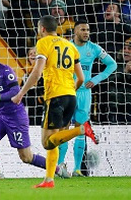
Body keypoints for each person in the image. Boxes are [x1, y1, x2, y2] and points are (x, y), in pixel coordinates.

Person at [12, 15, 99, 188]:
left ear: (42, 28)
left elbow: (36, 73)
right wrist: (70, 91)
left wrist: (20, 93)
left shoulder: (43, 43)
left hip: (55, 96)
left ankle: (82, 128)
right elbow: (81, 77)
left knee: (47, 142)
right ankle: (49, 179)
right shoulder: (69, 45)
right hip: (71, 96)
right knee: (56, 140)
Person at [0, 44, 57, 179]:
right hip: (1, 116)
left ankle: (57, 169)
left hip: (16, 117)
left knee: (26, 157)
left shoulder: (5, 71)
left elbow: (15, 91)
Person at [57, 21, 116, 178]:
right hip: (68, 92)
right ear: (75, 31)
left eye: (88, 30)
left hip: (84, 94)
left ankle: (77, 170)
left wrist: (96, 79)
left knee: (80, 130)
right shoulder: (66, 46)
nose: (86, 32)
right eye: (83, 29)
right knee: (64, 130)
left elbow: (112, 64)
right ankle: (59, 167)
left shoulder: (94, 48)